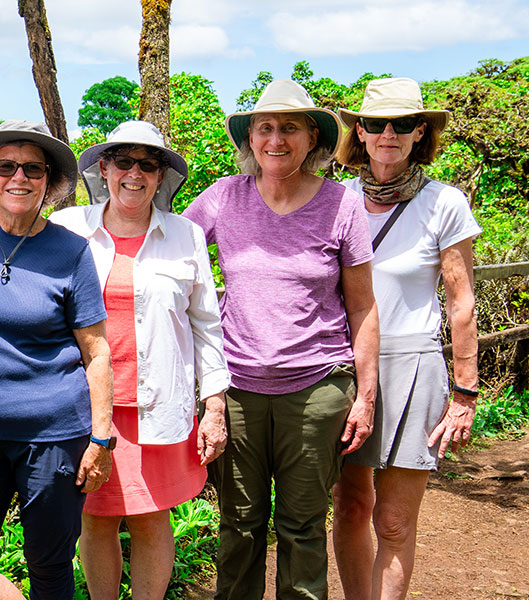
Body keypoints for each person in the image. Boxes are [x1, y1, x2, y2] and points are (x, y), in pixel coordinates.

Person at [179, 80, 381, 600]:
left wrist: (365, 395)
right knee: (239, 526)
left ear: (312, 136)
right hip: (238, 388)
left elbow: (362, 305)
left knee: (303, 526)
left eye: (290, 127)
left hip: (316, 389)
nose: (276, 139)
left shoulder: (341, 205)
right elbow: (168, 255)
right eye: (264, 128)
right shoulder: (224, 197)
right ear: (251, 137)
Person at [0, 120, 113, 600]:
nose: (19, 177)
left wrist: (101, 438)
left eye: (33, 168)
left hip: (54, 433)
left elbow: (95, 350)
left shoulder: (72, 252)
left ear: (48, 181)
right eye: (6, 166)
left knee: (49, 564)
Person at [49, 121, 230, 600]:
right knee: (95, 517)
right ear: (103, 168)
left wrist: (214, 405)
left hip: (159, 403)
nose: (135, 173)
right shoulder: (69, 229)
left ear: (160, 174)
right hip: (88, 405)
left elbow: (206, 324)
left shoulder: (185, 235)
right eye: (123, 161)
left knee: (152, 517)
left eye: (147, 164)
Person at [330, 77, 482, 600]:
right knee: (351, 507)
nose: (387, 133)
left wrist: (465, 392)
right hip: (342, 367)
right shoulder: (335, 199)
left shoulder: (445, 203)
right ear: (360, 133)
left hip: (414, 365)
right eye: (375, 123)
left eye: (400, 124)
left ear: (421, 132)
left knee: (393, 520)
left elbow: (461, 300)